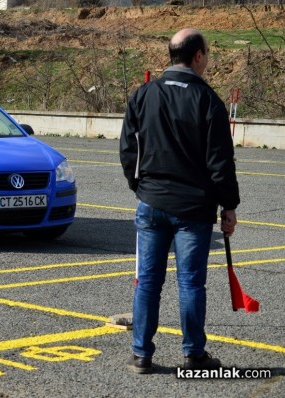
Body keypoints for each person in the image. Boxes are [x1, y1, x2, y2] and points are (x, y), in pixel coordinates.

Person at [119, 28, 240, 374]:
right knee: (190, 283)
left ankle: (141, 355)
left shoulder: (143, 95)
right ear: (198, 56)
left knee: (148, 281)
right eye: (208, 53)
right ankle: (193, 354)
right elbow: (220, 162)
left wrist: (140, 187)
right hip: (193, 210)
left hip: (151, 203)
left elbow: (128, 150)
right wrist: (228, 206)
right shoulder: (209, 102)